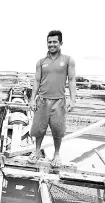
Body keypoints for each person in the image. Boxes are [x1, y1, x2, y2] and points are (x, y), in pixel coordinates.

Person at [29, 30, 76, 167]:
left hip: (59, 101)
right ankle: (37, 151)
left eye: (55, 42)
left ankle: (56, 154)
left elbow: (72, 80)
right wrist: (32, 99)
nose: (52, 44)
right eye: (49, 42)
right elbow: (37, 81)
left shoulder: (68, 60)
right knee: (39, 128)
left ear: (61, 43)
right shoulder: (41, 62)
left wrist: (73, 100)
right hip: (42, 100)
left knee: (58, 129)